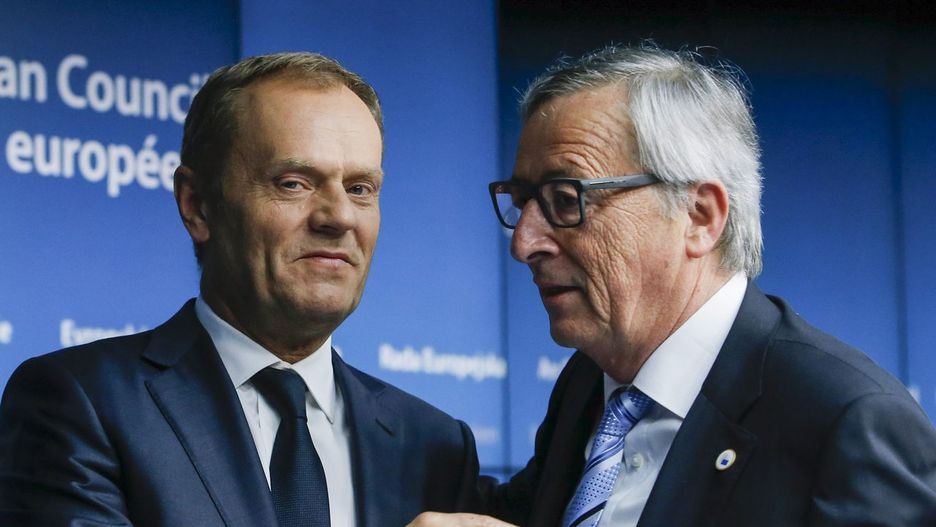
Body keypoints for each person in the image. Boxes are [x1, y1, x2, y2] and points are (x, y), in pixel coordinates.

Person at [411, 44, 936, 526]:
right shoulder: (587, 382)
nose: (524, 243)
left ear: (699, 216)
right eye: (522, 202)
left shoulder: (847, 420)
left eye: (565, 199)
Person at [0, 52, 480, 526]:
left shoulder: (436, 446)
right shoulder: (80, 403)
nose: (338, 216)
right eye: (293, 183)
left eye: (359, 189)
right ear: (197, 205)